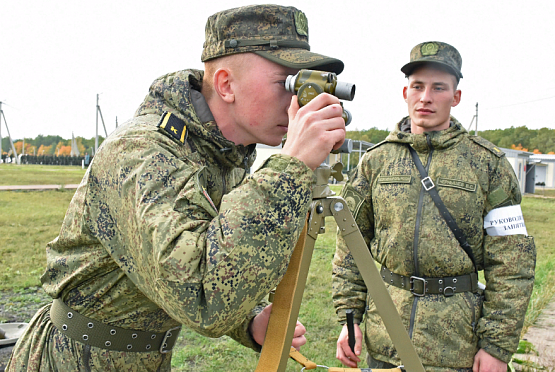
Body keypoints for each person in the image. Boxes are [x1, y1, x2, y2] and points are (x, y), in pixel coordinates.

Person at [7, 5, 346, 371]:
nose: (299, 100)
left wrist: (248, 319)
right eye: (286, 83)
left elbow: (206, 252)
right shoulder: (142, 153)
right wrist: (289, 168)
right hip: (73, 361)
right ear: (226, 85)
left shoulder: (223, 156)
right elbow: (199, 293)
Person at [332, 41, 536, 372]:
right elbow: (350, 247)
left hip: (455, 347)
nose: (426, 97)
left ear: (455, 97)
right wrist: (350, 319)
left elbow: (513, 263)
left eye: (438, 87)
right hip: (385, 339)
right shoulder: (376, 161)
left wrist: (496, 347)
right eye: (418, 86)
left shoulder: (488, 165)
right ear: (405, 92)